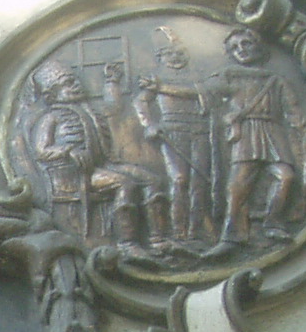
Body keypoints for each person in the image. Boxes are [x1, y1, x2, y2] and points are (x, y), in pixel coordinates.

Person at [25, 60, 150, 244]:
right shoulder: (50, 118)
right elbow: (41, 151)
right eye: (68, 83)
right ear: (51, 95)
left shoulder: (89, 111)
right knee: (125, 183)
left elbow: (113, 108)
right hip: (74, 175)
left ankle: (158, 239)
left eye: (75, 80)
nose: (77, 84)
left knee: (151, 180)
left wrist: (111, 82)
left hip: (102, 166)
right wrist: (68, 151)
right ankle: (127, 243)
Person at [216, 28, 306, 246]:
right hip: (245, 132)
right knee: (238, 185)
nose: (241, 50)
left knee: (286, 177)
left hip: (272, 131)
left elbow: (293, 111)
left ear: (258, 46)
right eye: (235, 47)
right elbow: (208, 97)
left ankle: (273, 223)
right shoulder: (229, 76)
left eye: (246, 43)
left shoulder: (276, 80)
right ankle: (231, 236)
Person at [135, 34, 214, 244]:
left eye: (180, 53)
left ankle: (196, 232)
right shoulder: (154, 77)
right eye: (169, 53)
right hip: (172, 132)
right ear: (160, 57)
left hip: (200, 131)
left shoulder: (197, 76)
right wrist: (149, 124)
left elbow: (208, 98)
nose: (175, 57)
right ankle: (179, 231)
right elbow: (140, 102)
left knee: (199, 182)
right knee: (179, 179)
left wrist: (162, 88)